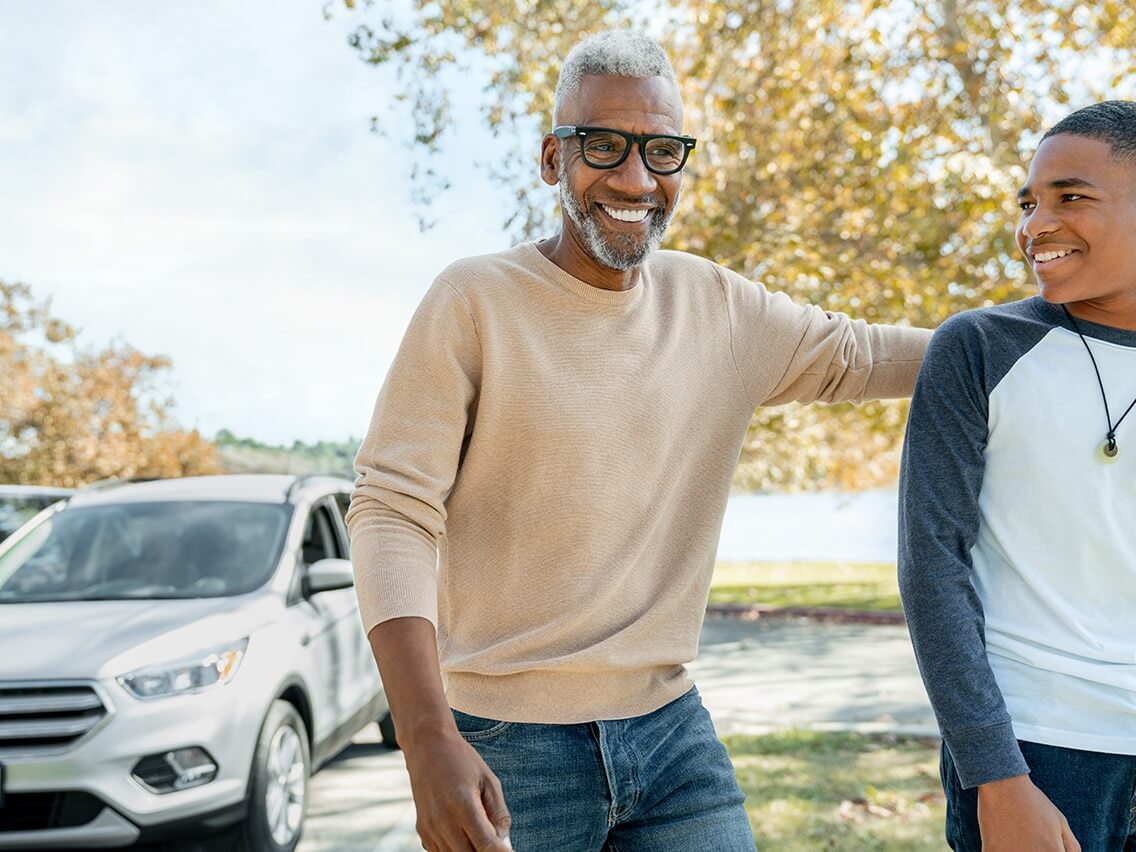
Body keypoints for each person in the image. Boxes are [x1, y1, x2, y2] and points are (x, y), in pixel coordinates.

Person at [348, 28, 931, 851]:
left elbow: (864, 354)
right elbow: (391, 514)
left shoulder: (718, 307)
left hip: (670, 732)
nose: (634, 178)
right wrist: (425, 737)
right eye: (604, 147)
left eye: (661, 151)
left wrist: (1048, 332)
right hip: (507, 744)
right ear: (554, 160)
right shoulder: (474, 300)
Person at [898, 100, 1136, 852]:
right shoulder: (978, 347)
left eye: (1071, 197)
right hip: (1039, 750)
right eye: (1029, 202)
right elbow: (932, 567)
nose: (1035, 224)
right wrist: (994, 777)